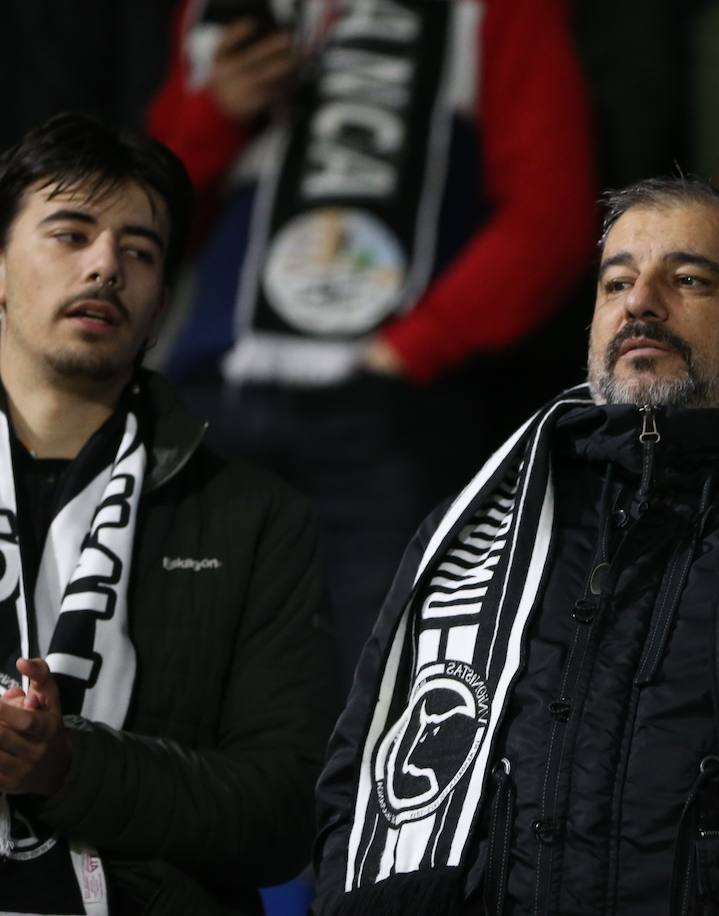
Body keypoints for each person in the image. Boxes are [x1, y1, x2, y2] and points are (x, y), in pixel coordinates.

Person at [314, 177, 719, 914]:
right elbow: (360, 780)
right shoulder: (470, 528)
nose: (641, 304)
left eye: (688, 279)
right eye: (617, 281)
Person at [146, 0, 599, 688]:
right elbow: (149, 214)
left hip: (384, 416)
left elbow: (552, 214)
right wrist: (217, 113)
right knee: (181, 694)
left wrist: (412, 350)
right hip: (211, 401)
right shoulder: (217, 10)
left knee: (385, 703)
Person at [0, 114, 334, 913]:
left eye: (139, 251)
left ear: (159, 309)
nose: (106, 265)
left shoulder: (253, 517)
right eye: (70, 233)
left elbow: (285, 816)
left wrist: (66, 767)